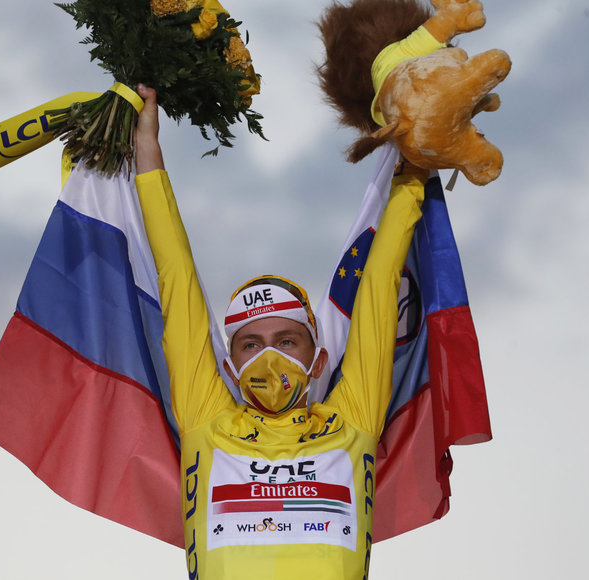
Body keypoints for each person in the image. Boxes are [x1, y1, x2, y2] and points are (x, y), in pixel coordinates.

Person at [132, 84, 427, 579]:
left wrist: (416, 169)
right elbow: (176, 281)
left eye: (286, 341)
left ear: (318, 362)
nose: (268, 357)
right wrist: (147, 152)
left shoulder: (353, 419)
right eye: (251, 344)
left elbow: (379, 287)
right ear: (229, 367)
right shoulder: (207, 420)